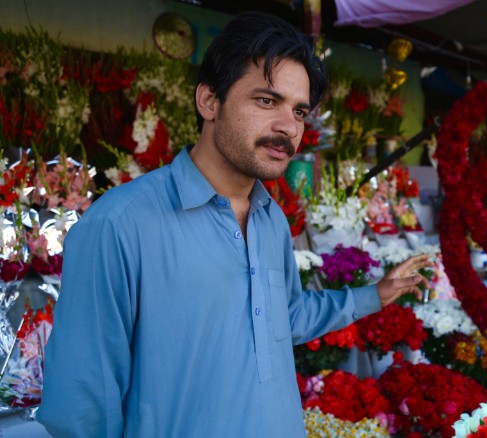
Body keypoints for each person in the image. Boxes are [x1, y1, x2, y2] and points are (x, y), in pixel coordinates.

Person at [37, 11, 432, 437]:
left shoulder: (270, 219)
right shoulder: (120, 225)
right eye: (267, 101)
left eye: (299, 111)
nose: (288, 127)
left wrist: (377, 294)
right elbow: (79, 407)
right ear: (209, 101)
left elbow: (288, 317)